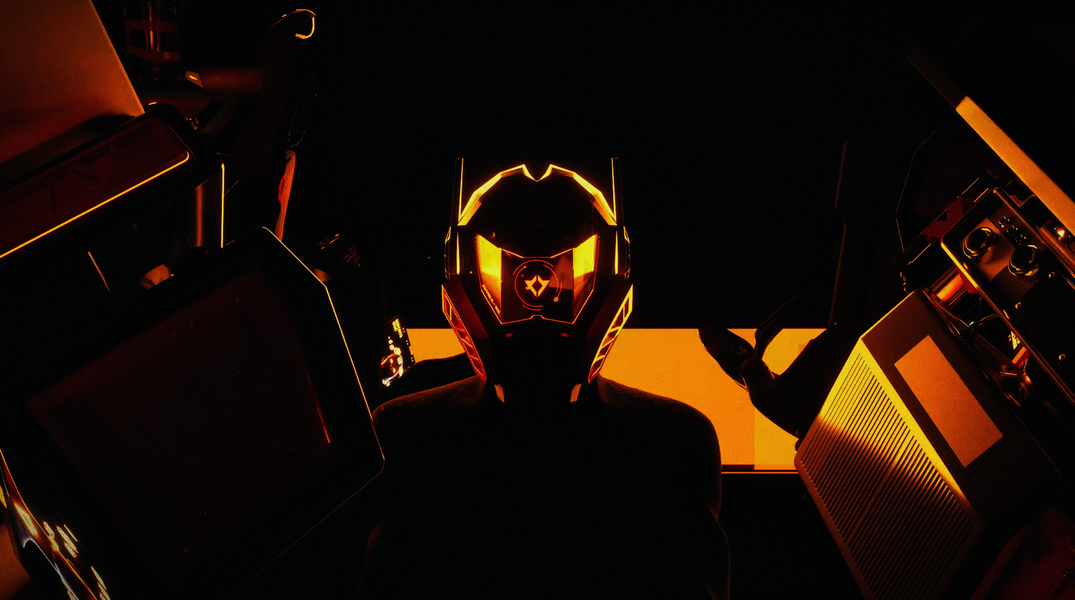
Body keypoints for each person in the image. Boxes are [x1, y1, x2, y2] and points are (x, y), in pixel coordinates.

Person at [357, 158, 730, 598]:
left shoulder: (406, 431)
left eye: (561, 276)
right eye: (516, 277)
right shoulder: (675, 439)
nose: (538, 309)